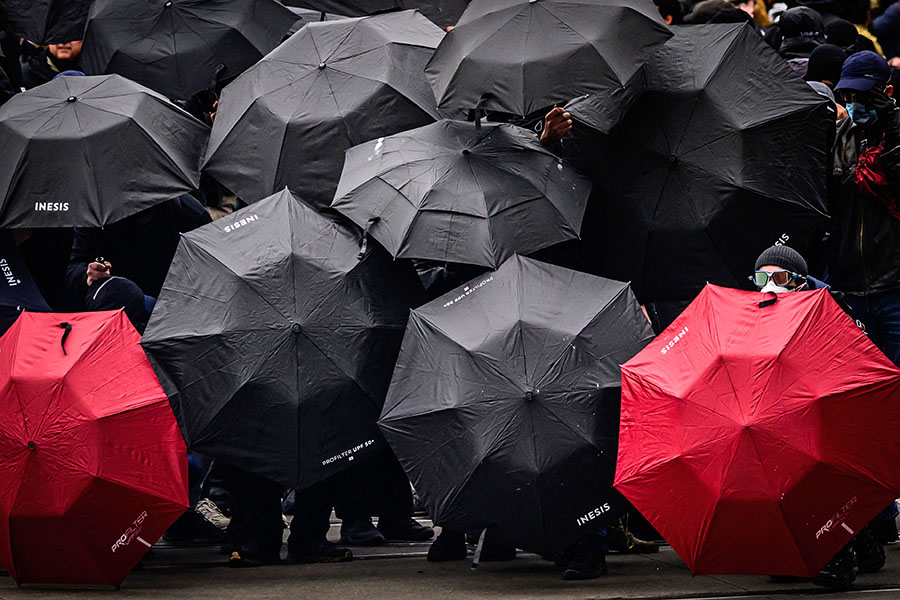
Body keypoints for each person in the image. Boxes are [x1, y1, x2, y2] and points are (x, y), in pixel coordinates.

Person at [751, 244, 888, 590]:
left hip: (834, 413)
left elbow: (860, 370)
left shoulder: (833, 309)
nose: (769, 287)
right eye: (761, 278)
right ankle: (799, 552)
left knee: (824, 467)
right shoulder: (754, 314)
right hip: (783, 413)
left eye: (779, 278)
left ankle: (842, 553)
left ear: (798, 281)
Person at [829, 51, 900, 368]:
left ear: (886, 92)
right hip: (851, 287)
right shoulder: (838, 139)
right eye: (848, 95)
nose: (854, 102)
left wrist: (891, 131)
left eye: (863, 95)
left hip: (895, 286)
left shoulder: (895, 132)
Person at [64, 194, 211, 331]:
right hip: (116, 311)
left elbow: (211, 280)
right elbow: (73, 270)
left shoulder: (191, 215)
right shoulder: (98, 213)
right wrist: (90, 276)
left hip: (176, 315)